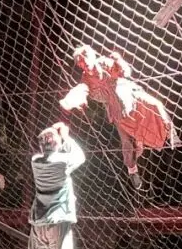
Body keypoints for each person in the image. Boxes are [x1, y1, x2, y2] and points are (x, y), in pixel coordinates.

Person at [59, 45, 175, 190]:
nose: (85, 63)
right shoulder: (86, 79)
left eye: (86, 58)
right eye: (81, 62)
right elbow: (82, 89)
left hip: (130, 96)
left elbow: (126, 72)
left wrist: (119, 61)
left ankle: (170, 132)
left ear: (92, 56)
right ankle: (132, 171)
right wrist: (73, 99)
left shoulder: (105, 63)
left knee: (156, 105)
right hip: (117, 110)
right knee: (126, 143)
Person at [28, 121, 85, 249]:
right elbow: (80, 157)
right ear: (56, 144)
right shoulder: (62, 161)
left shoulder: (35, 161)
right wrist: (66, 136)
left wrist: (54, 138)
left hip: (39, 221)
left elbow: (49, 151)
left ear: (41, 147)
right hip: (58, 220)